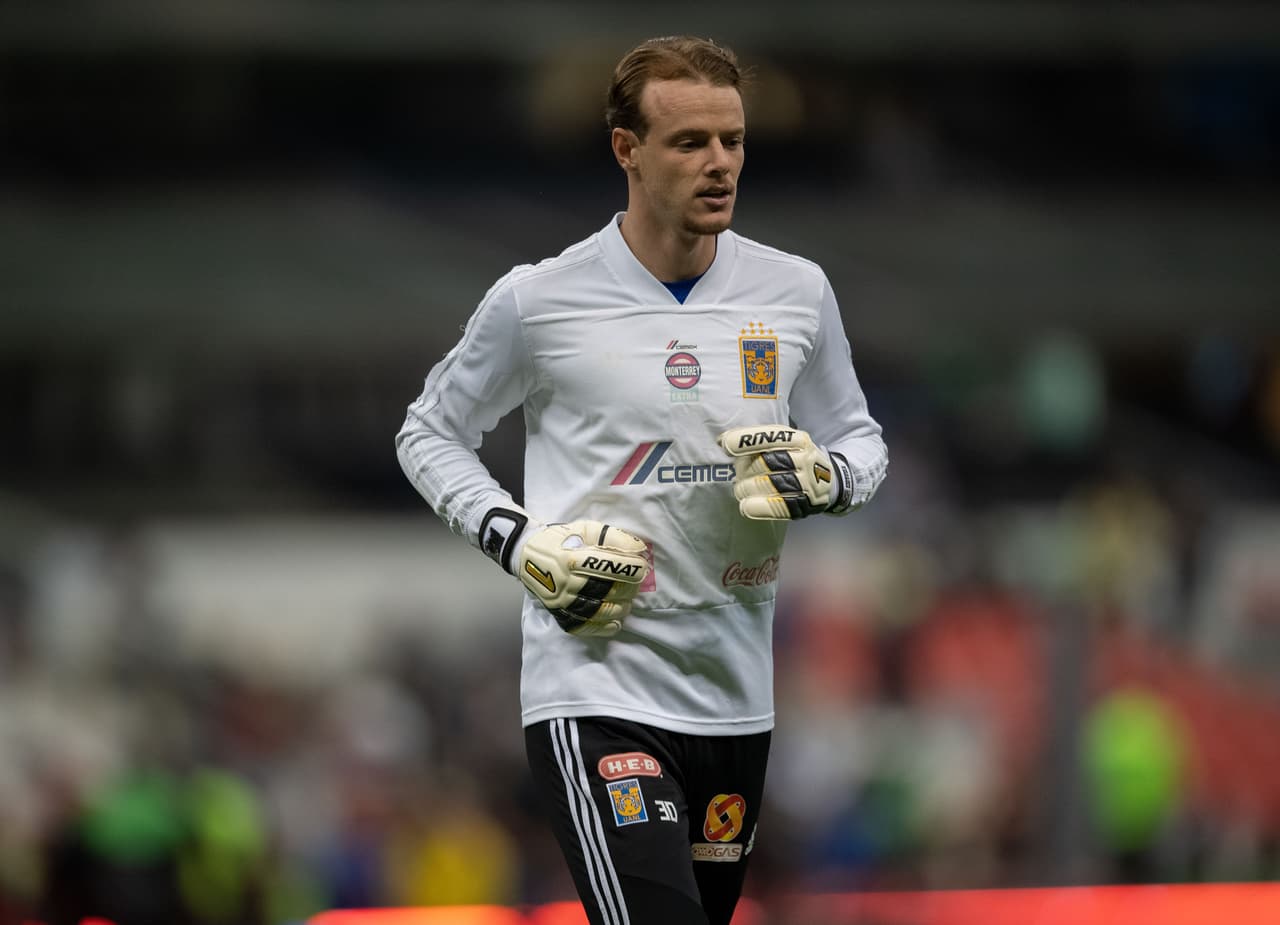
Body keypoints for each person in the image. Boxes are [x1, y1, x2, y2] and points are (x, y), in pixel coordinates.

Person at [396, 35, 887, 925]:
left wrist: (826, 479)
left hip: (736, 699)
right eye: (689, 142)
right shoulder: (538, 300)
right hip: (595, 686)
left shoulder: (796, 291)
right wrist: (519, 540)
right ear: (627, 149)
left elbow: (859, 438)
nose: (720, 164)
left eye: (732, 141)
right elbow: (429, 432)